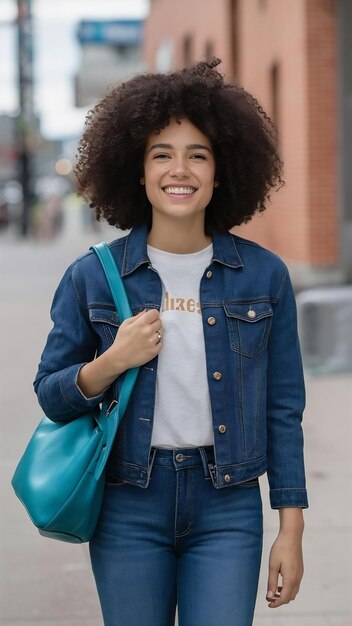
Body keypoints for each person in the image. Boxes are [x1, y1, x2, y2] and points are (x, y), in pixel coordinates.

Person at [34, 59, 308, 626]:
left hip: (228, 504)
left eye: (197, 154)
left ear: (220, 170)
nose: (179, 169)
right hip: (128, 502)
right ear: (136, 170)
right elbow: (51, 395)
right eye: (162, 153)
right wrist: (111, 362)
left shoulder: (264, 277)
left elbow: (283, 409)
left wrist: (291, 528)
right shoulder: (93, 275)